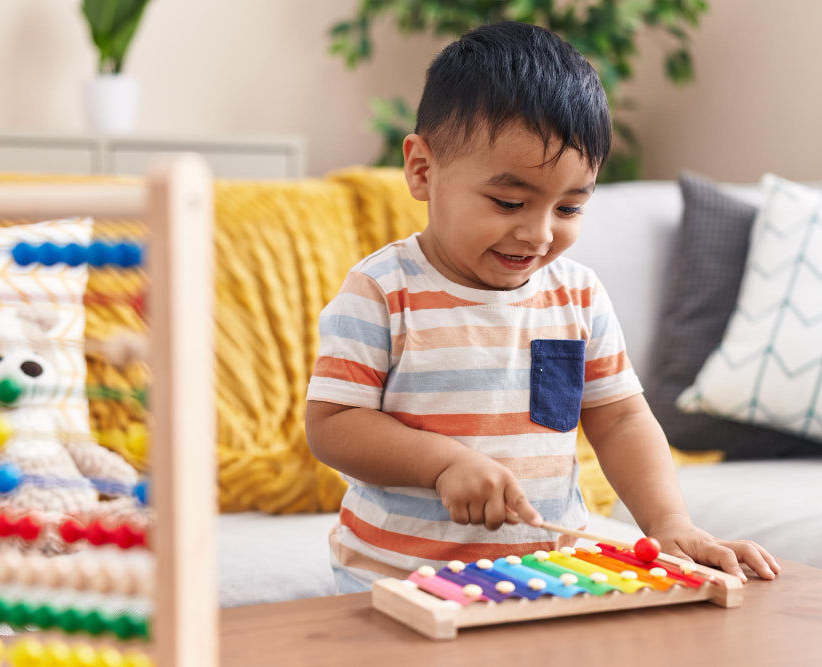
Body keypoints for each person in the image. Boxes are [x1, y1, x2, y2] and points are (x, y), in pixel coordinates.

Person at [304, 21, 780, 593]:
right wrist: (442, 462)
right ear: (423, 169)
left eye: (570, 208)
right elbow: (333, 425)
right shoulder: (382, 290)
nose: (538, 234)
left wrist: (668, 521)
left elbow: (622, 418)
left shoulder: (577, 295)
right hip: (395, 582)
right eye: (509, 202)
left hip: (545, 577)